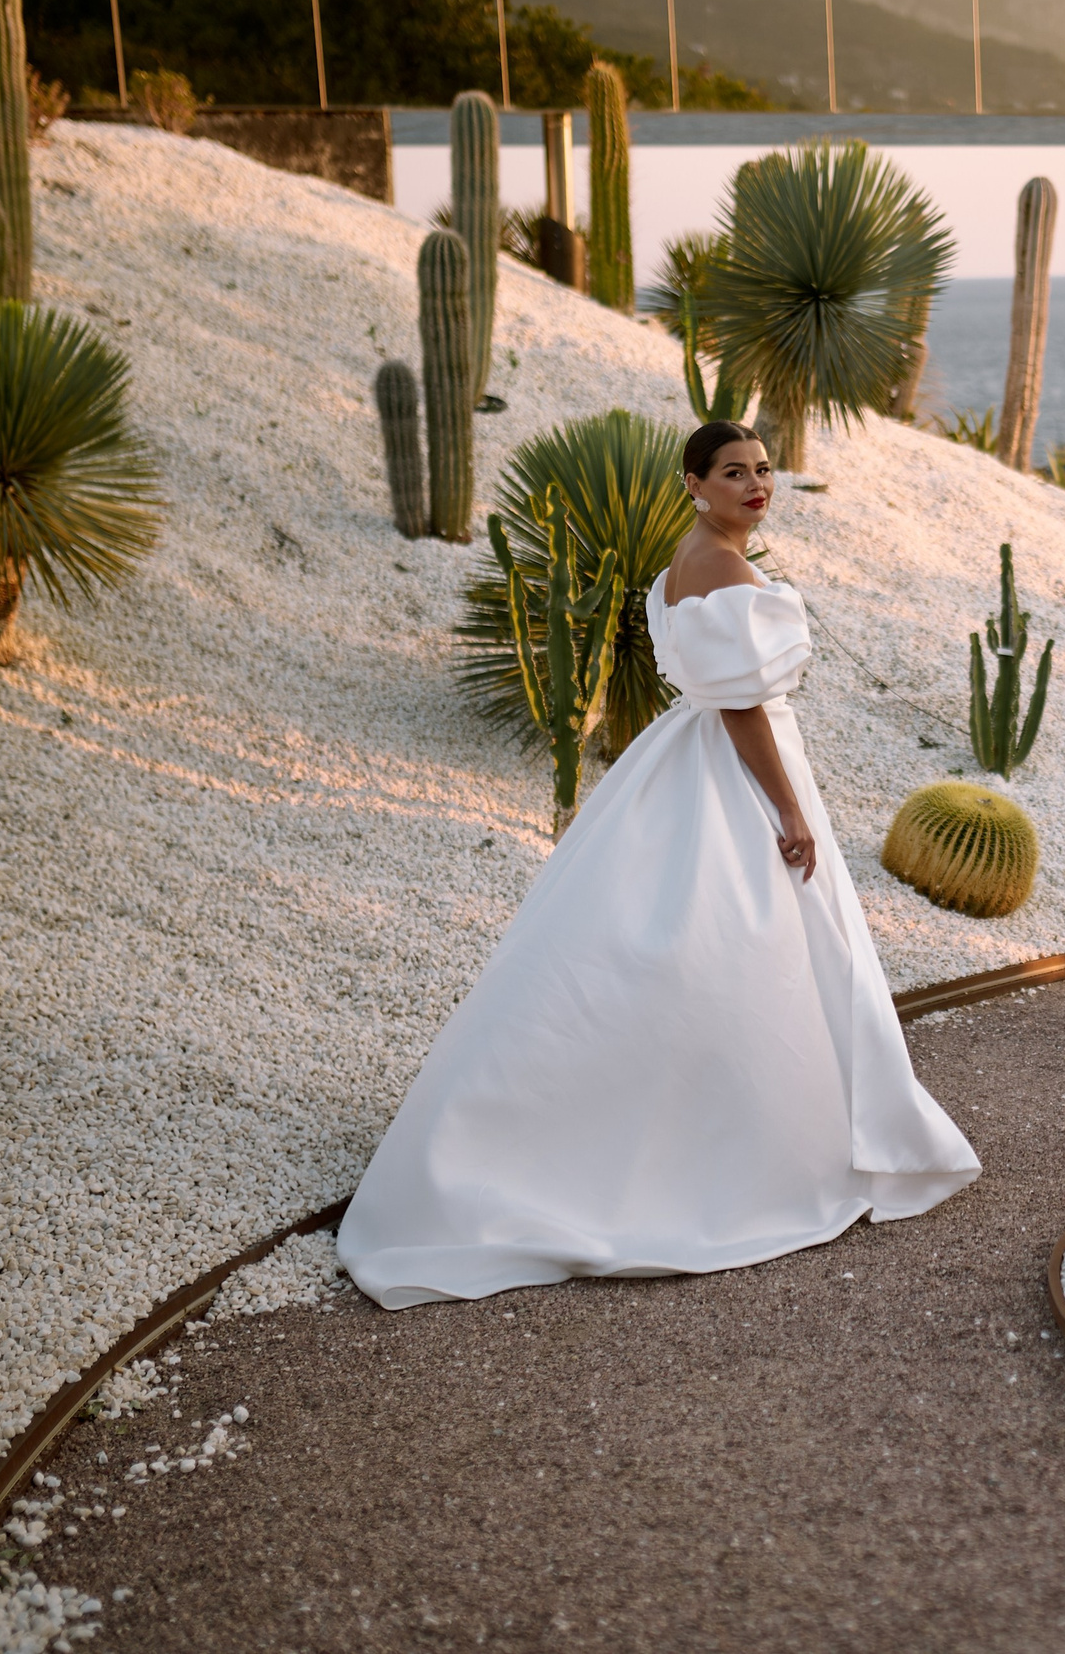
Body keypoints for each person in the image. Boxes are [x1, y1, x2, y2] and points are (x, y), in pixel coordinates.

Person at [339, 421, 980, 1309]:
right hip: (734, 764)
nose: (756, 485)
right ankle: (730, 1152)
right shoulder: (719, 564)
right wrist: (790, 811)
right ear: (694, 483)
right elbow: (743, 704)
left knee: (678, 953)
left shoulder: (687, 558)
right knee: (738, 951)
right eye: (733, 473)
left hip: (685, 755)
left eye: (762, 470)